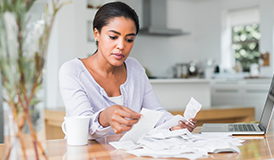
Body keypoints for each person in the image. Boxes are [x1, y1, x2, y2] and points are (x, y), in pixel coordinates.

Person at [59, 1, 196, 139]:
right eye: (113, 37)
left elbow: (156, 112)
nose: (121, 46)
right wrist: (105, 116)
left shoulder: (134, 68)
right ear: (97, 34)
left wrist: (177, 125)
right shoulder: (72, 71)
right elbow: (82, 127)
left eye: (129, 39)